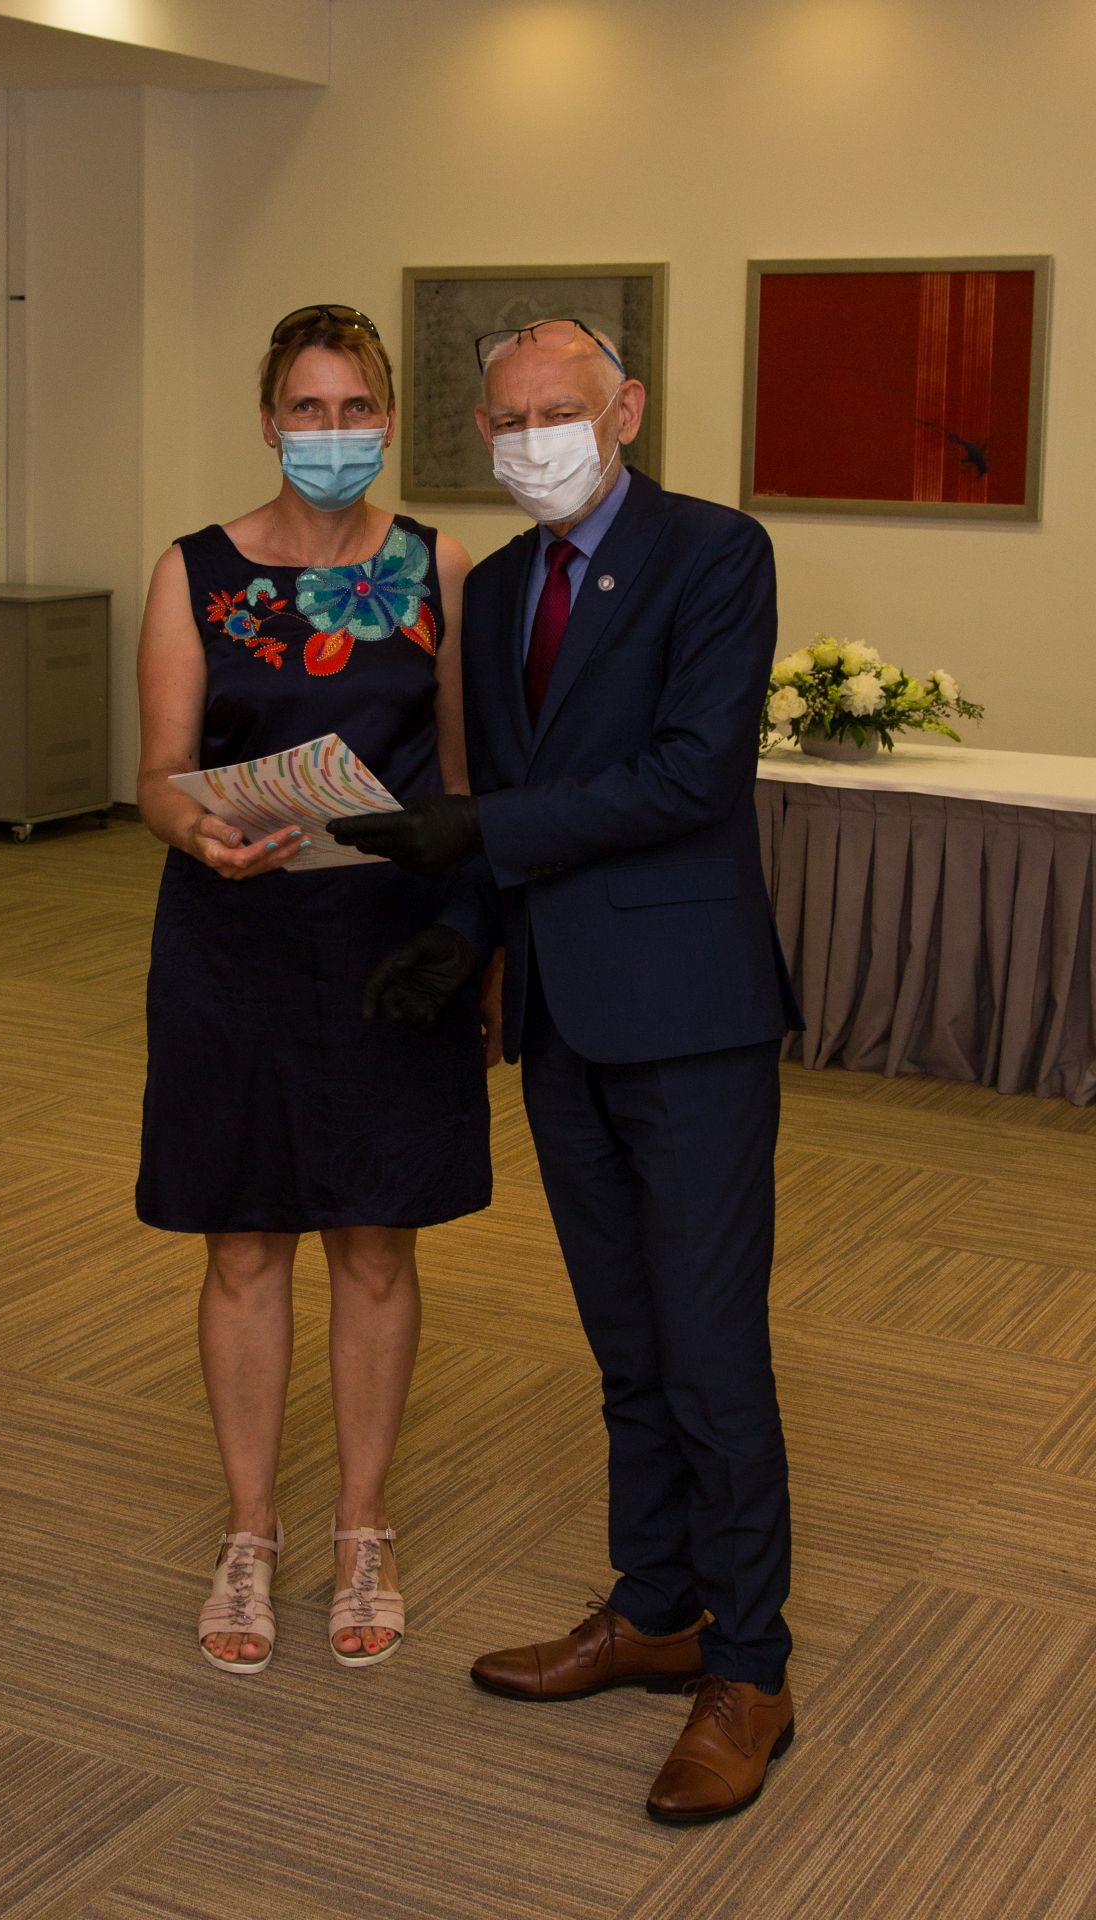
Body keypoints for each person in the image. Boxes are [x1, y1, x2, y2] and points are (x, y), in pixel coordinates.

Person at [330, 317, 803, 1821]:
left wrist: (480, 835)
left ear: (628, 409)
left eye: (563, 410)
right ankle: (656, 1607)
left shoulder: (714, 554)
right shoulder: (498, 590)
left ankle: (751, 1667)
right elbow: (512, 795)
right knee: (626, 1345)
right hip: (560, 1014)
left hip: (691, 1015)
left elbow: (691, 775)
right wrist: (457, 932)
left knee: (711, 1353)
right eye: (511, 419)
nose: (535, 438)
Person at [134, 304, 492, 1678]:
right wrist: (198, 831)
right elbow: (160, 770)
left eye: (354, 410)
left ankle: (362, 1528)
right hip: (232, 940)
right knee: (241, 1241)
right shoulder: (196, 569)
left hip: (390, 945)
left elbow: (459, 781)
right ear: (269, 418)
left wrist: (474, 941)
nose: (330, 433)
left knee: (377, 1241)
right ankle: (248, 1532)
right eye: (307, 408)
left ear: (386, 420)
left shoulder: (437, 565)